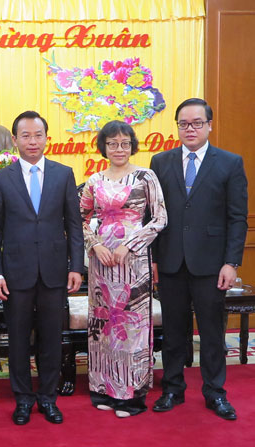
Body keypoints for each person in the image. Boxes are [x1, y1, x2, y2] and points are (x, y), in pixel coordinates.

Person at [0, 111, 84, 425]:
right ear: (15, 140)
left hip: (55, 272)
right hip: (15, 275)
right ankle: (23, 399)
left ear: (46, 137)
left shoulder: (63, 174)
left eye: (38, 134)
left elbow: (74, 225)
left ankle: (48, 398)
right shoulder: (0, 179)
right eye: (25, 136)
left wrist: (76, 266)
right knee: (17, 340)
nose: (32, 141)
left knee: (52, 339)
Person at [150, 98, 248, 420]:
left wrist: (231, 263)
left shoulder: (230, 163)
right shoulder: (160, 162)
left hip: (211, 265)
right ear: (177, 126)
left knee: (211, 333)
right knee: (174, 331)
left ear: (209, 125)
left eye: (196, 123)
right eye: (183, 124)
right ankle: (173, 389)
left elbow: (237, 218)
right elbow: (153, 216)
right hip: (171, 261)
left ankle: (215, 393)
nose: (189, 129)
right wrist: (153, 258)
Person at [80, 120, 167, 418]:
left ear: (132, 145)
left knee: (131, 327)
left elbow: (159, 220)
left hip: (133, 262)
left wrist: (128, 245)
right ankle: (103, 389)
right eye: (113, 143)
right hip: (101, 263)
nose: (119, 148)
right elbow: (78, 218)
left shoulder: (146, 176)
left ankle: (131, 396)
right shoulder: (94, 180)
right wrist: (95, 245)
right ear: (103, 145)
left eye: (125, 143)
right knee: (103, 326)